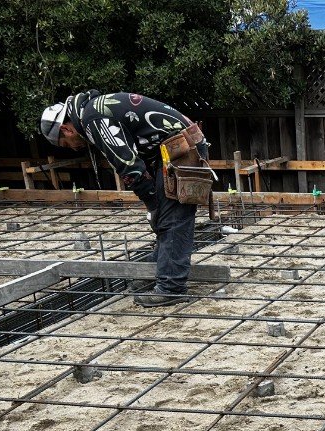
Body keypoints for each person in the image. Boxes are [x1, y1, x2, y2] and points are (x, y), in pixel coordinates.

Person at [40, 91, 210, 306]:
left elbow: (128, 165)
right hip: (172, 150)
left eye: (65, 143)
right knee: (167, 219)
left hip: (181, 150)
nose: (73, 147)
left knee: (173, 219)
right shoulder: (93, 111)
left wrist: (152, 203)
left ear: (66, 129)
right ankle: (154, 271)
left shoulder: (93, 118)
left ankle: (171, 287)